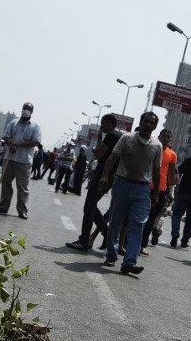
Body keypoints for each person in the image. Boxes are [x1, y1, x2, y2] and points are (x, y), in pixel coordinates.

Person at [100, 112, 162, 275]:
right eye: (145, 121)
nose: (148, 124)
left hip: (143, 189)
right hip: (123, 183)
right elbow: (113, 158)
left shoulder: (157, 145)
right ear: (140, 122)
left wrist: (155, 193)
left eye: (151, 122)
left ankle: (129, 262)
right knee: (116, 221)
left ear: (155, 126)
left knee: (137, 225)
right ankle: (111, 255)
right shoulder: (127, 138)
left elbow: (156, 170)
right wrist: (105, 176)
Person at [67, 114, 122, 251]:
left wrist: (98, 140)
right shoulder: (120, 136)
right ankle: (106, 233)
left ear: (109, 123)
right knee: (91, 206)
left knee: (89, 207)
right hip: (111, 175)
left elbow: (98, 155)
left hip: (103, 175)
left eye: (102, 123)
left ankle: (85, 240)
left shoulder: (111, 136)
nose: (101, 127)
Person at [0, 102, 42, 219]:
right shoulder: (13, 123)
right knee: (6, 183)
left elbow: (36, 141)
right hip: (10, 158)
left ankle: (22, 210)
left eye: (28, 109)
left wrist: (19, 145)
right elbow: (5, 136)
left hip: (24, 160)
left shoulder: (35, 126)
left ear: (32, 112)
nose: (26, 110)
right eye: (24, 108)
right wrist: (11, 143)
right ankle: (4, 206)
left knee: (22, 187)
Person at [141, 129, 178, 253]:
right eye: (164, 136)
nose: (166, 138)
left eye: (168, 136)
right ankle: (127, 241)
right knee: (139, 215)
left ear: (171, 139)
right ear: (159, 136)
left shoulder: (172, 154)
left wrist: (171, 191)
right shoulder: (152, 148)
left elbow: (171, 174)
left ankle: (143, 244)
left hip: (161, 189)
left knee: (151, 219)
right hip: (146, 185)